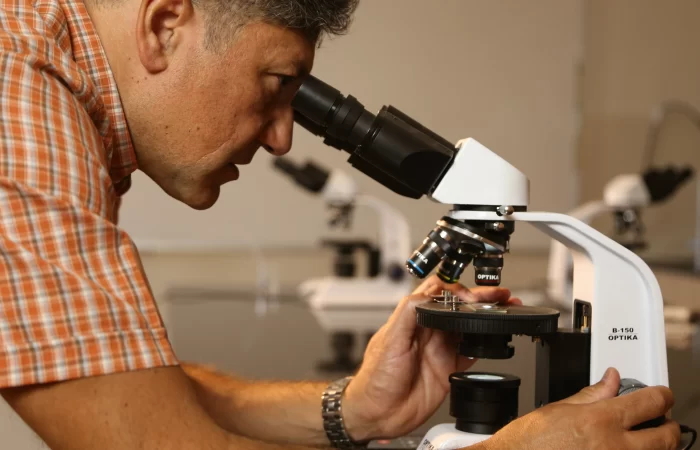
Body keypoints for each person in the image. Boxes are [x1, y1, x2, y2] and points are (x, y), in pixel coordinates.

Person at [0, 0, 681, 448]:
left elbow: (133, 391)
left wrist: (353, 407)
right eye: (275, 84)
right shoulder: (19, 91)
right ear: (163, 25)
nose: (281, 140)